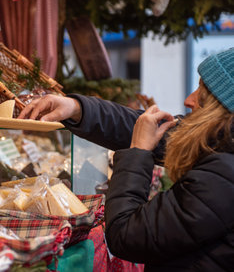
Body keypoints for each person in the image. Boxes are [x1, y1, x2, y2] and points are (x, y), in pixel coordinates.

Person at [18, 48, 234, 271]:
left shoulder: (224, 175)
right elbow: (147, 128)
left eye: (203, 95)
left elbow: (125, 235)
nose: (189, 100)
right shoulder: (221, 144)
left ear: (223, 111)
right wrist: (77, 109)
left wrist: (138, 152)